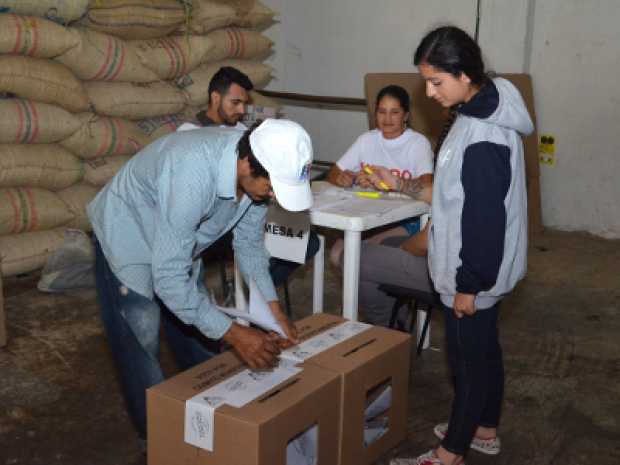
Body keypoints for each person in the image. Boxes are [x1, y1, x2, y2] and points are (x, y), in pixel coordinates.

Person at [364, 26, 533, 465]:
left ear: (464, 74)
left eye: (437, 81)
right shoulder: (480, 110)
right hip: (477, 267)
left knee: (466, 360)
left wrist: (468, 285)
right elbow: (461, 197)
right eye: (426, 80)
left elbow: (484, 221)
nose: (429, 91)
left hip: (472, 270)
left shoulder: (483, 136)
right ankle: (484, 429)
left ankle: (450, 451)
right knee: (484, 349)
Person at [88, 118, 313, 441]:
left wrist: (273, 309)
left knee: (198, 334)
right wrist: (235, 334)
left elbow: (249, 246)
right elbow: (168, 278)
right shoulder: (193, 175)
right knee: (142, 337)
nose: (275, 196)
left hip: (178, 239)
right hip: (129, 232)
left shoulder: (257, 172)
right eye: (273, 187)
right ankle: (159, 440)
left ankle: (211, 419)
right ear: (247, 164)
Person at [194, 66, 320, 289]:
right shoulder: (191, 137)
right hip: (215, 226)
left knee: (306, 241)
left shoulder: (245, 133)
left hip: (254, 214)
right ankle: (253, 292)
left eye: (244, 103)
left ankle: (255, 294)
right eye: (235, 103)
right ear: (215, 98)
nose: (242, 110)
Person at [326, 85, 434, 267]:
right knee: (337, 254)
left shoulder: (417, 143)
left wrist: (390, 182)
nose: (387, 118)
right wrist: (346, 178)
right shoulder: (366, 140)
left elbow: (427, 185)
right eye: (382, 112)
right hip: (369, 212)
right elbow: (335, 171)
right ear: (375, 114)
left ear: (406, 116)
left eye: (395, 112)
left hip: (408, 218)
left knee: (353, 254)